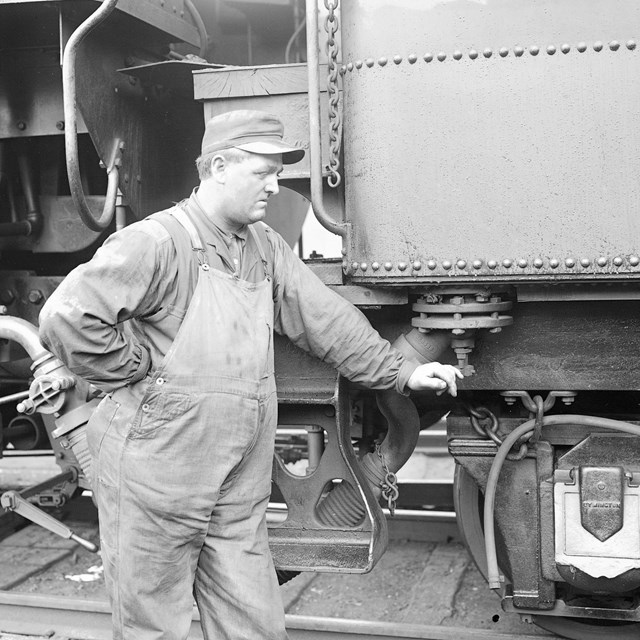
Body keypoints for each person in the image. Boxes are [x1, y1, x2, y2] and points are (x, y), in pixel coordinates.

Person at [39, 110, 462, 640]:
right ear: (219, 167)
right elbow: (67, 319)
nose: (275, 184)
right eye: (262, 172)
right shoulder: (157, 242)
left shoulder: (263, 247)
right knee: (153, 626)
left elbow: (325, 321)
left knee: (254, 623)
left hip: (238, 477)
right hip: (158, 470)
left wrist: (401, 373)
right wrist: (135, 366)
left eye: (276, 172)